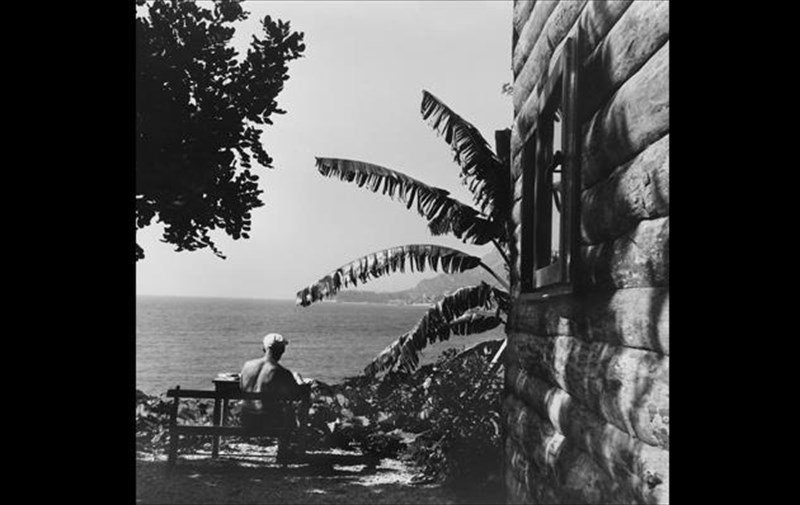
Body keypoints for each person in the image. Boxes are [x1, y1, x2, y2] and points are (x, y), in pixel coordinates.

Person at [239, 333, 310, 462]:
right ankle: (284, 452)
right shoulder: (281, 372)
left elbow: (241, 387)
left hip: (245, 418)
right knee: (289, 412)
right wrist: (298, 378)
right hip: (269, 422)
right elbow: (296, 394)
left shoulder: (247, 365)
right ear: (282, 350)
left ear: (264, 348)